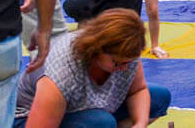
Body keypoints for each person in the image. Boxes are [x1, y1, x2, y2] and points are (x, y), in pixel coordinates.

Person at [13, 8, 171, 127]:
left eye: (129, 62)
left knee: (158, 97)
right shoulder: (61, 71)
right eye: (118, 63)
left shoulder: (125, 52)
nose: (125, 68)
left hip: (87, 110)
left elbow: (138, 90)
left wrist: (140, 123)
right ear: (97, 50)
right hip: (28, 117)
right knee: (100, 122)